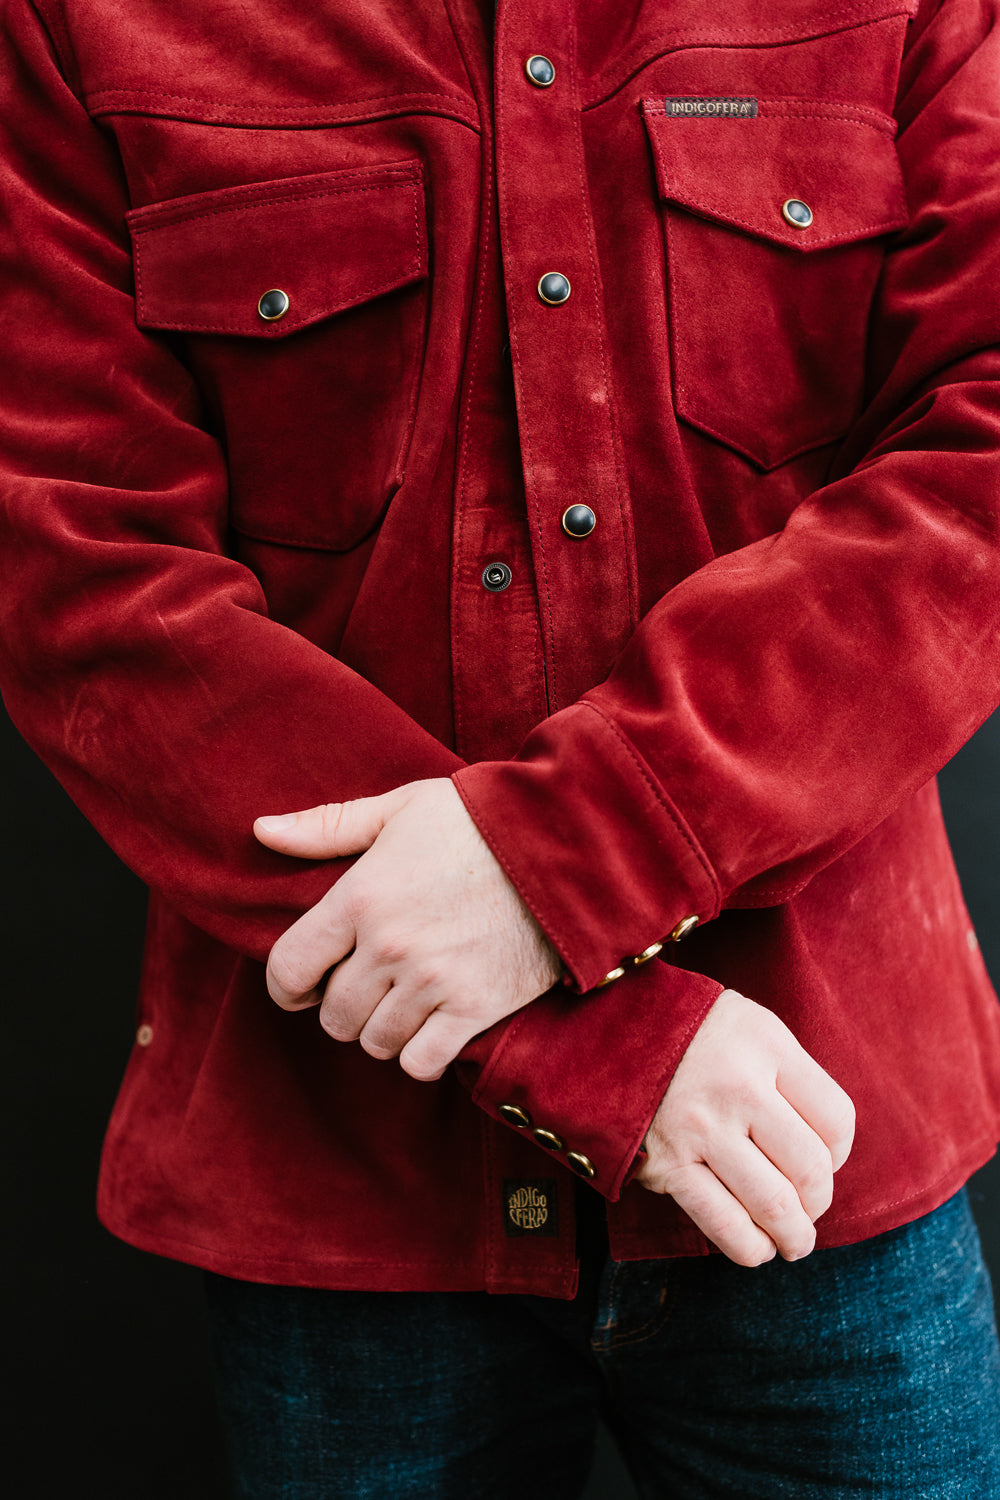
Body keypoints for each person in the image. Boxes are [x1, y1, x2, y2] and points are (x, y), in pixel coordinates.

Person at [2, 0, 1000, 1494]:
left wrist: (564, 859)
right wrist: (592, 1047)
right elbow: (78, 575)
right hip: (347, 1203)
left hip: (816, 1153)